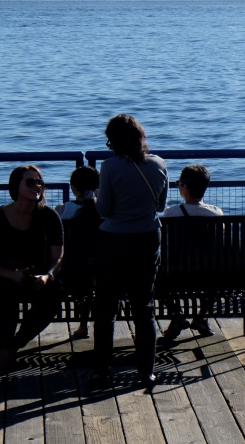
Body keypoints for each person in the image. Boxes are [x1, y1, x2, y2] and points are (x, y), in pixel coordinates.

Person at [93, 114, 168, 390]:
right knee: (144, 307)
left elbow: (104, 210)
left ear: (112, 141)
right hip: (147, 238)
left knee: (106, 308)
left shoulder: (109, 166)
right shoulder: (159, 164)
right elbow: (160, 206)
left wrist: (96, 198)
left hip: (113, 240)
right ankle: (146, 372)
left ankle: (102, 372)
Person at [0, 165, 64, 375]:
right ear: (15, 186)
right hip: (6, 277)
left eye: (39, 182)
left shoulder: (49, 217)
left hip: (37, 278)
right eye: (30, 182)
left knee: (53, 298)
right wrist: (13, 275)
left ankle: (11, 348)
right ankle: (6, 347)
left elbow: (58, 257)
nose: (37, 186)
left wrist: (47, 276)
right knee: (3, 294)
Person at [161, 164, 223, 339]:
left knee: (154, 278)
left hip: (176, 274)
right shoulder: (216, 213)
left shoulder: (170, 213)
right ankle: (202, 317)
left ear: (185, 188)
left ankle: (177, 315)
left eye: (179, 183)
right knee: (217, 273)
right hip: (210, 274)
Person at [56, 165, 101, 340]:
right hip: (101, 269)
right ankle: (93, 324)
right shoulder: (105, 210)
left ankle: (83, 326)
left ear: (74, 188)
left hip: (71, 270)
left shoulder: (62, 210)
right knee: (91, 279)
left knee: (83, 281)